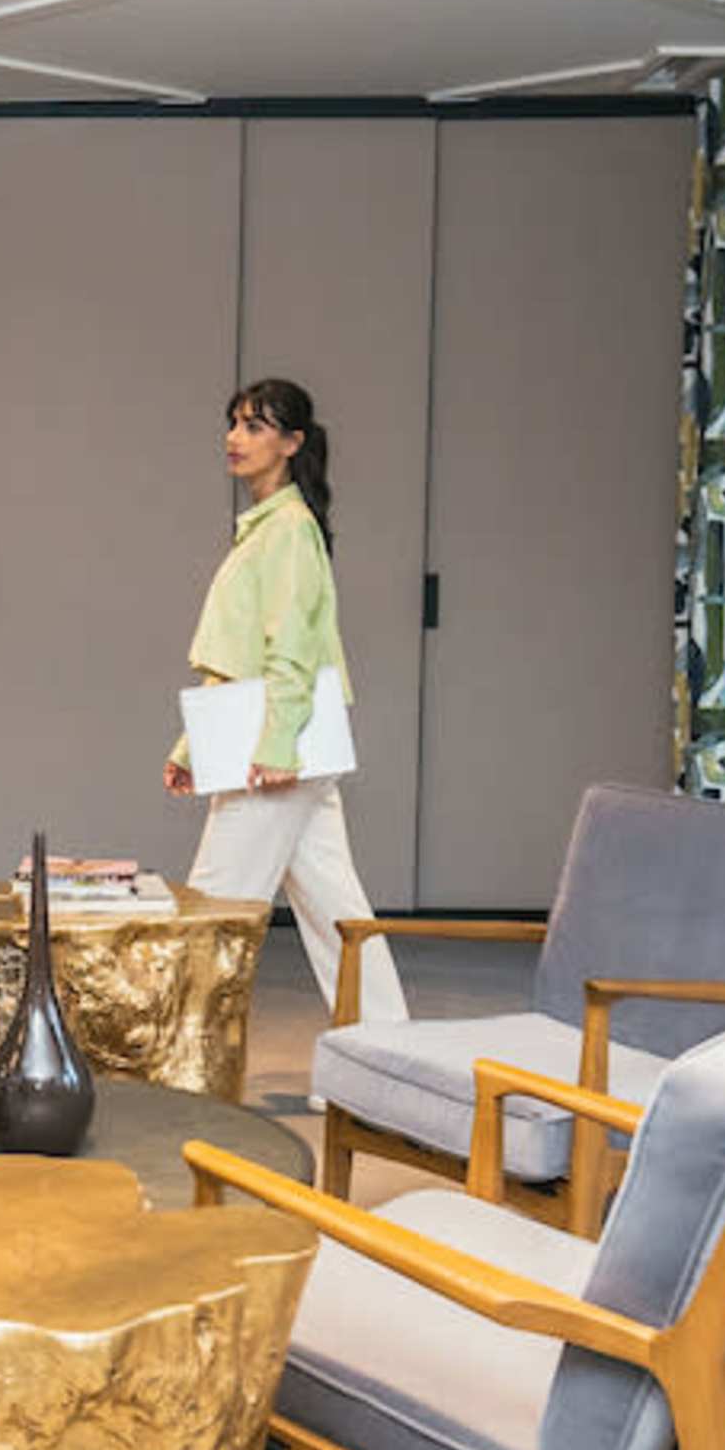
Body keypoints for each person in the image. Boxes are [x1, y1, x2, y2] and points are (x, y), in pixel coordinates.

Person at [164, 377, 407, 1022]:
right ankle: (383, 1054)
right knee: (338, 914)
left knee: (214, 909)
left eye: (255, 427)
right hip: (282, 745)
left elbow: (292, 652)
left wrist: (276, 751)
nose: (235, 438)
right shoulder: (269, 528)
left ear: (292, 443)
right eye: (235, 423)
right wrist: (192, 746)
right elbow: (239, 657)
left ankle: (181, 1067)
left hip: (276, 752)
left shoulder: (290, 530)